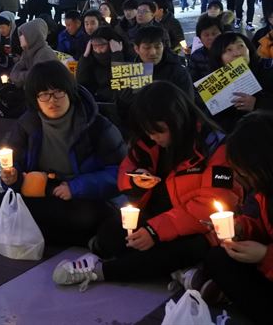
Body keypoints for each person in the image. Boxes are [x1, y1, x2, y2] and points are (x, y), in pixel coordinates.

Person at [53, 81, 242, 290]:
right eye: (148, 131)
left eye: (159, 131)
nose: (154, 137)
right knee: (112, 233)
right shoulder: (148, 141)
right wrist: (136, 180)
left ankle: (101, 272)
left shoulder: (214, 147)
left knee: (179, 250)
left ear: (177, 120)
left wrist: (155, 232)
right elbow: (125, 171)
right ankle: (180, 271)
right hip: (156, 216)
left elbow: (212, 206)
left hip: (200, 229)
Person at [0, 60, 126, 243]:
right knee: (20, 205)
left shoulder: (96, 126)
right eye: (44, 95)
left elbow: (119, 172)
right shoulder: (28, 125)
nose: (52, 100)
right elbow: (16, 166)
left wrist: (76, 187)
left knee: (83, 216)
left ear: (70, 91)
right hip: (46, 190)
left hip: (85, 196)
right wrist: (12, 177)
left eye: (58, 92)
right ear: (35, 99)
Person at [204, 111, 273, 325]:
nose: (242, 176)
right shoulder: (263, 189)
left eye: (244, 172)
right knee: (218, 257)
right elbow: (264, 225)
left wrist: (265, 255)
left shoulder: (208, 141)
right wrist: (242, 227)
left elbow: (216, 186)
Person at [207, 32, 273, 133]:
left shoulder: (268, 69)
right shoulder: (214, 82)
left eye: (241, 46)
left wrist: (257, 104)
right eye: (228, 50)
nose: (237, 53)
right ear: (219, 57)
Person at [76, 27, 135, 103]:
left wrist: (117, 56)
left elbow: (123, 88)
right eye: (94, 46)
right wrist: (85, 57)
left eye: (101, 46)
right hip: (97, 104)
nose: (98, 51)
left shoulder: (129, 58)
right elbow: (81, 84)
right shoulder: (91, 60)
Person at [132, 26, 193, 97]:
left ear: (163, 47)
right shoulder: (130, 72)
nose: (153, 52)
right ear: (136, 49)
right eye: (147, 47)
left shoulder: (179, 73)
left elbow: (187, 104)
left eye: (157, 47)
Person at [9, 18, 57, 88]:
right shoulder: (27, 52)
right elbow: (16, 71)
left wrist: (19, 76)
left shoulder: (45, 54)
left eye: (23, 34)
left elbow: (36, 77)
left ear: (33, 36)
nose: (20, 37)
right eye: (20, 34)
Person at [189, 15, 224, 82]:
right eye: (206, 35)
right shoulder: (195, 57)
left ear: (222, 34)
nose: (211, 38)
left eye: (214, 34)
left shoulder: (231, 52)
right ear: (200, 39)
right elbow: (192, 82)